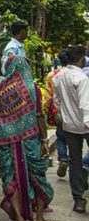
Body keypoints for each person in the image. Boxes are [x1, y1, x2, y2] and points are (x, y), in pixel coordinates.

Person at [0, 20, 53, 221]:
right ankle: (39, 219)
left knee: (10, 177)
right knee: (38, 177)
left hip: (6, 142)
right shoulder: (33, 89)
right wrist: (44, 140)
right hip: (31, 140)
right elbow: (39, 116)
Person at [52, 46, 89, 213]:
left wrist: (65, 116)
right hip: (85, 123)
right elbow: (85, 104)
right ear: (81, 59)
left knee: (74, 160)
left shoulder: (59, 76)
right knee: (78, 162)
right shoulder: (82, 78)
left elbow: (57, 101)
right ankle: (83, 177)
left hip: (69, 125)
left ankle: (79, 199)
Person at [45, 49, 70, 178]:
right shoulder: (77, 74)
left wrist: (46, 111)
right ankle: (74, 161)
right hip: (74, 113)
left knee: (60, 137)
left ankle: (63, 158)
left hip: (58, 112)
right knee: (74, 138)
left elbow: (48, 98)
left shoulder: (52, 75)